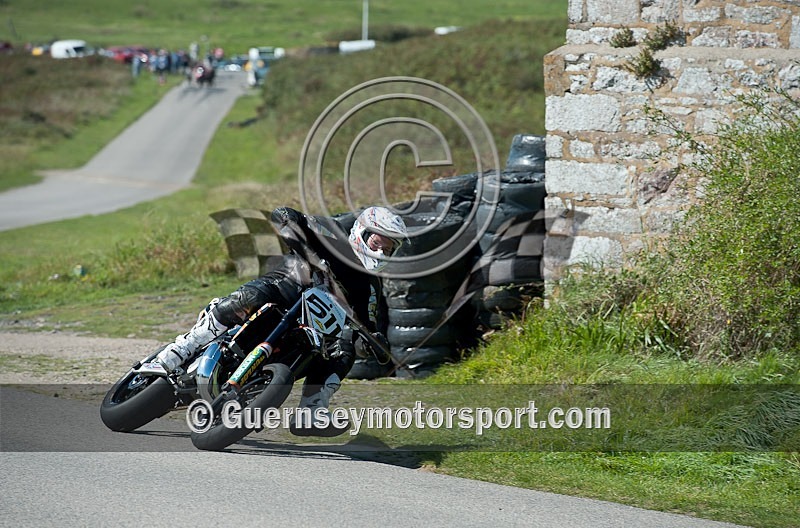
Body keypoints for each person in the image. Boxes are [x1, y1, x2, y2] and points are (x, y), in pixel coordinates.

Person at [151, 206, 408, 436]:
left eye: (388, 248)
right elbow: (290, 216)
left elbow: (368, 325)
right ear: (362, 232)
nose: (380, 251)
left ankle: (312, 410)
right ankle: (183, 347)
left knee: (344, 347)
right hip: (285, 288)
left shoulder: (370, 285)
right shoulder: (333, 231)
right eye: (377, 242)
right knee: (249, 297)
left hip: (313, 328)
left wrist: (375, 342)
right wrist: (289, 221)